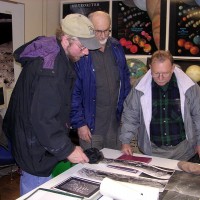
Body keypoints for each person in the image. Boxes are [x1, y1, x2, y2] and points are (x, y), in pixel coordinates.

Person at [2, 13, 100, 196]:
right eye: (82, 47)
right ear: (65, 40)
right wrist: (67, 149)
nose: (86, 52)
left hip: (35, 140)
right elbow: (43, 118)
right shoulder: (50, 69)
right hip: (34, 145)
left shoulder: (56, 55)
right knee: (37, 191)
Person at [120, 50, 200, 160]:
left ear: (172, 68)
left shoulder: (189, 87)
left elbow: (198, 116)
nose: (161, 77)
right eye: (156, 73)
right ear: (150, 68)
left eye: (165, 73)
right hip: (152, 152)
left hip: (183, 152)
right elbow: (130, 115)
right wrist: (125, 141)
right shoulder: (139, 87)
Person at [70, 11, 131, 150]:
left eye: (106, 31)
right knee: (93, 167)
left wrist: (125, 116)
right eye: (98, 31)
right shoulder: (82, 51)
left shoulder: (116, 47)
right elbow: (73, 92)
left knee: (114, 166)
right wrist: (79, 123)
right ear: (90, 29)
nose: (103, 36)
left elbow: (125, 82)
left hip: (114, 125)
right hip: (91, 127)